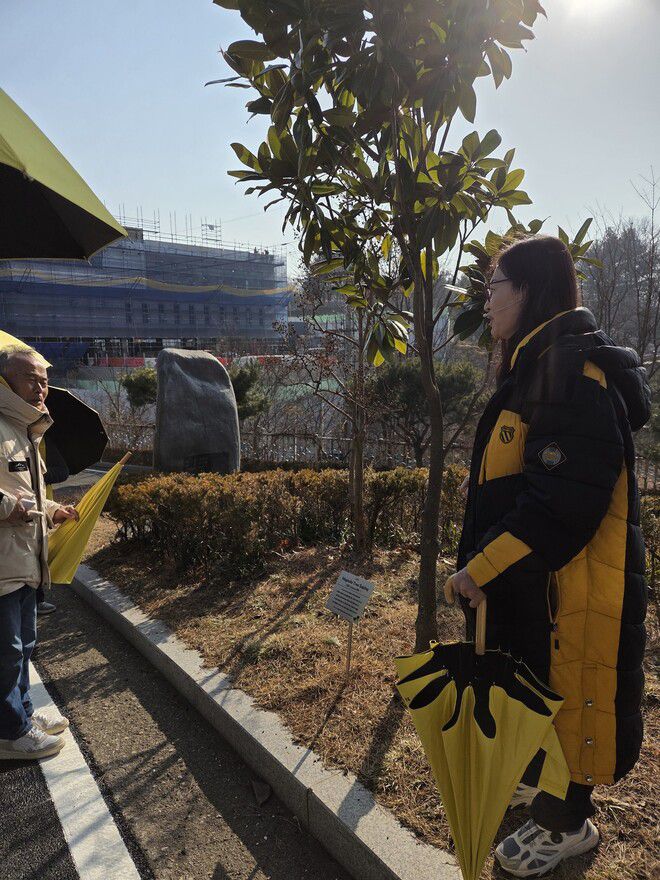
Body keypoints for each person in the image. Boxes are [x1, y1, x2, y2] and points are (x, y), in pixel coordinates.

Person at [453, 235, 650, 877]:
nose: (486, 301)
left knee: (572, 693)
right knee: (534, 681)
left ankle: (568, 824)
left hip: (574, 586)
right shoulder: (538, 367)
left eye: (494, 287)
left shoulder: (572, 378)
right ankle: (540, 783)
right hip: (538, 584)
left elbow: (559, 505)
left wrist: (481, 568)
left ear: (528, 291)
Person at [0, 345, 79, 760]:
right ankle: (10, 733)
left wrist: (51, 510)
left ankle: (24, 715)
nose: (40, 388)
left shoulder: (25, 431)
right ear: (5, 381)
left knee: (23, 647)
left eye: (44, 380)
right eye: (30, 378)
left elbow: (27, 493)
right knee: (6, 653)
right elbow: (9, 500)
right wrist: (7, 508)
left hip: (25, 559)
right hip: (3, 563)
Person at [36, 433, 70, 615]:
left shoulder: (44, 440)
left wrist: (37, 474)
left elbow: (62, 471)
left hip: (43, 507)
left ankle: (37, 599)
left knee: (36, 553)